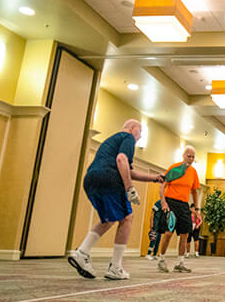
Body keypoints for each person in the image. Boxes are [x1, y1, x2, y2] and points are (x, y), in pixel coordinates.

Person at [68, 119, 162, 280]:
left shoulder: (110, 141)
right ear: (133, 128)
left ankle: (82, 252)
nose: (139, 138)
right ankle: (116, 267)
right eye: (140, 133)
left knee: (109, 219)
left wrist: (155, 178)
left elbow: (128, 170)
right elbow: (121, 160)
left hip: (91, 180)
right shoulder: (128, 138)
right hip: (109, 179)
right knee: (127, 217)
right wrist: (130, 189)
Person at [156, 146, 200, 274]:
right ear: (183, 155)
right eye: (188, 156)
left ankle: (180, 263)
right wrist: (163, 202)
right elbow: (162, 186)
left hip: (184, 205)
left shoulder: (193, 172)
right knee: (168, 232)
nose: (190, 159)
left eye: (192, 157)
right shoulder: (174, 168)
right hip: (170, 202)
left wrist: (197, 209)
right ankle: (161, 259)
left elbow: (195, 192)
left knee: (185, 233)